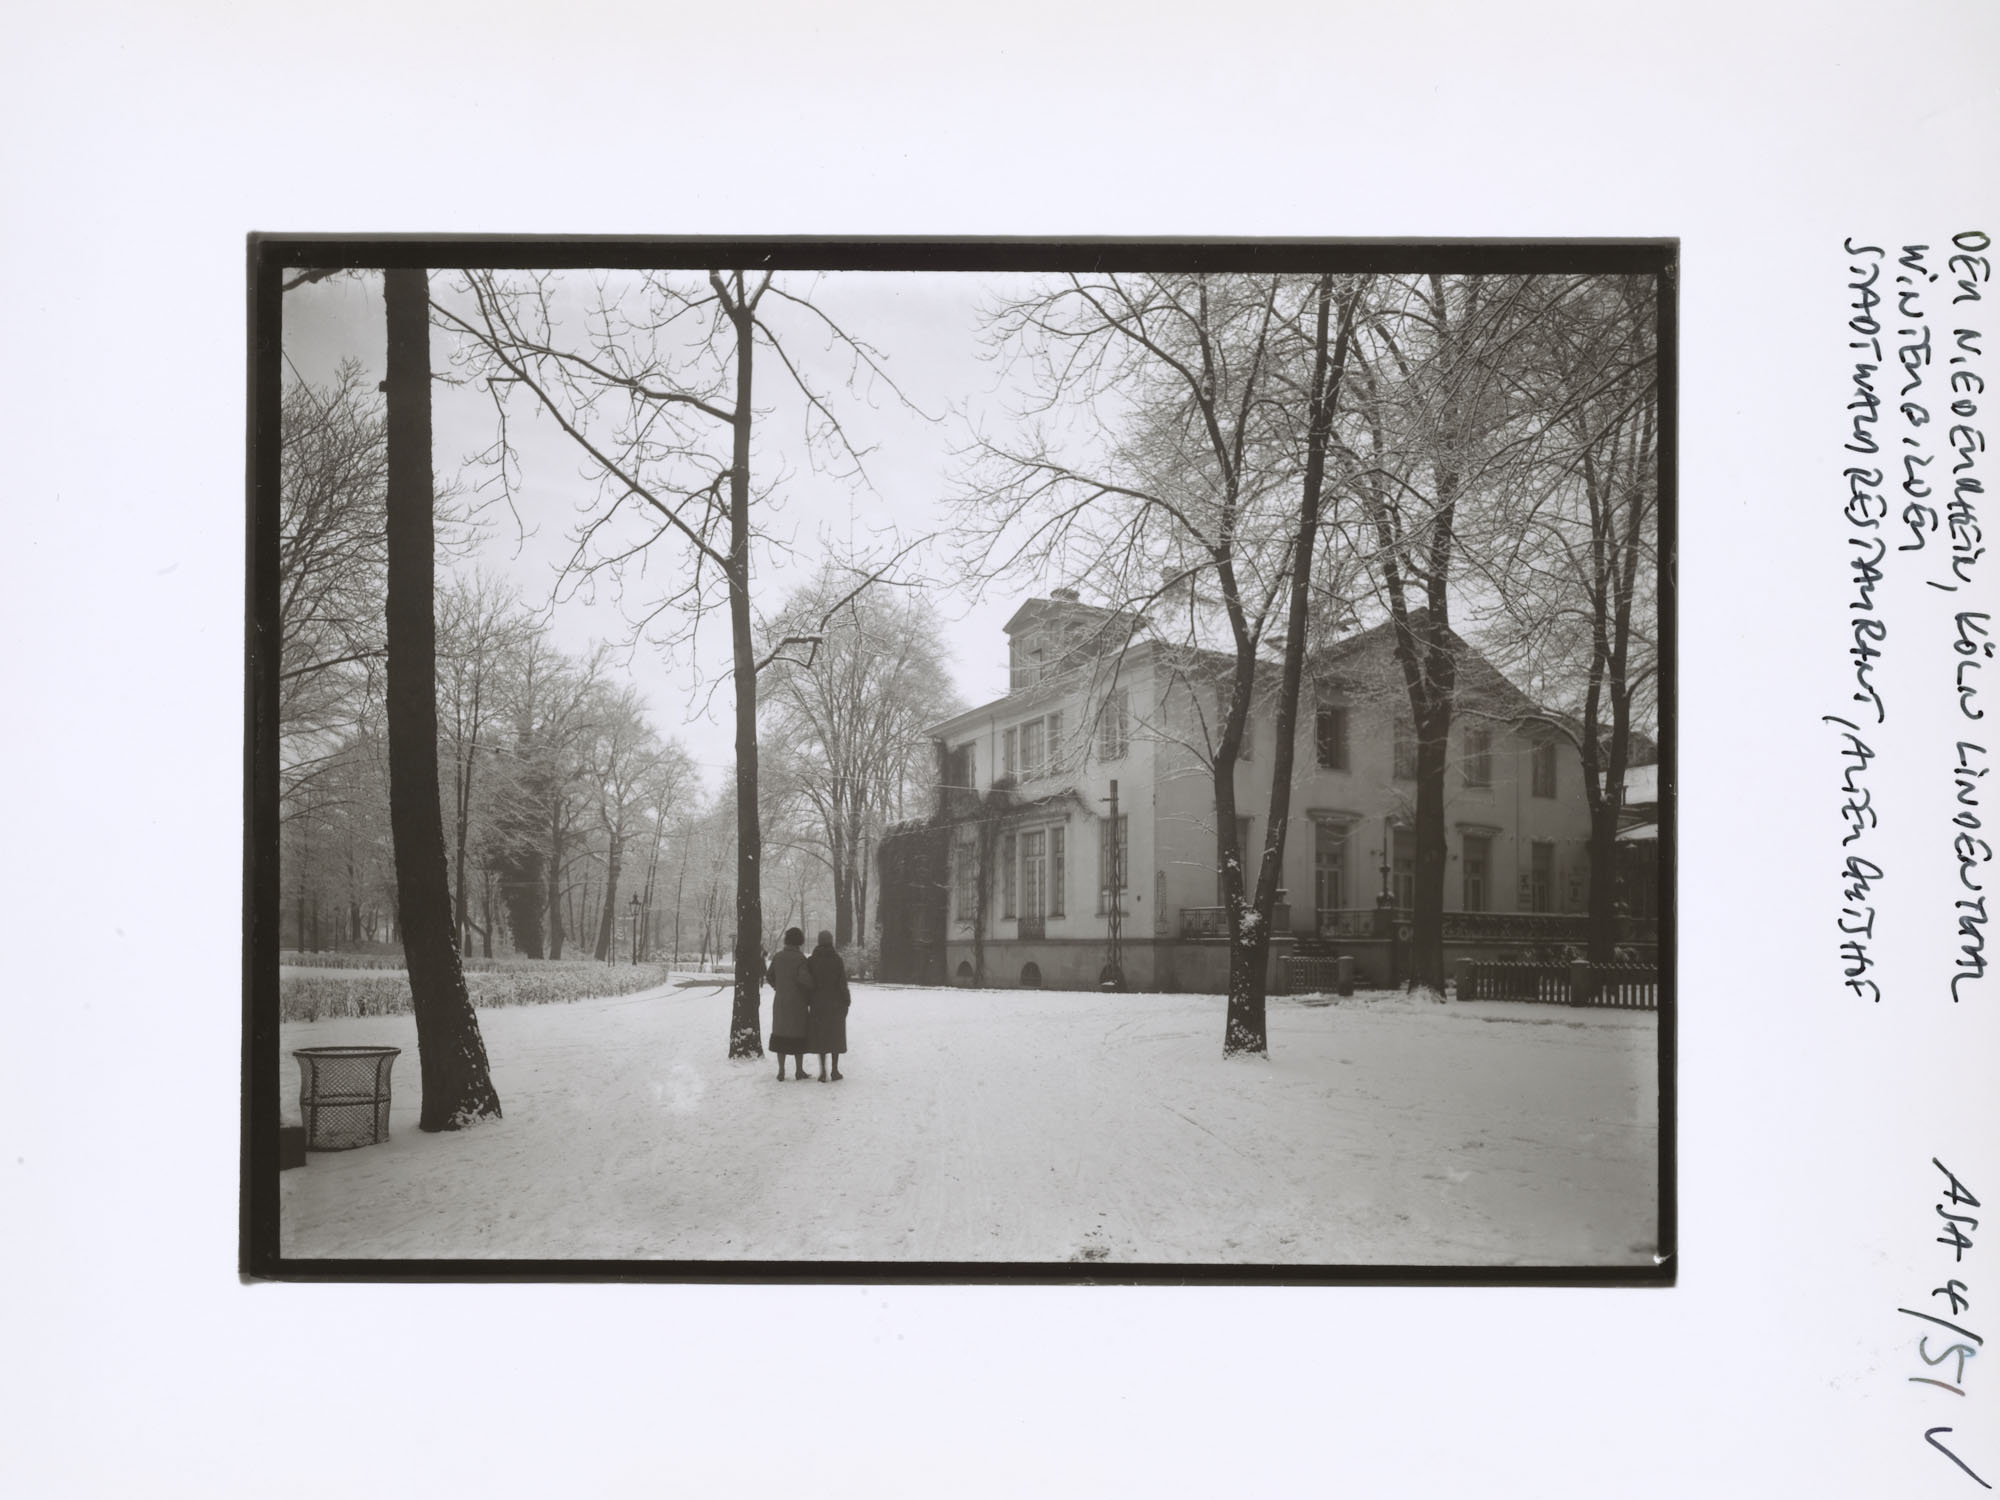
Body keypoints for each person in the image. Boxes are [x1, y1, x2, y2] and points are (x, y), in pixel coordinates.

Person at [765, 928, 814, 1081]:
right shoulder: (801, 959)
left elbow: (769, 976)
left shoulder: (778, 957)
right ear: (800, 941)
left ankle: (781, 1071)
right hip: (798, 1003)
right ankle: (799, 1071)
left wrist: (778, 987)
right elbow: (805, 980)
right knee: (798, 1036)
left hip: (780, 1002)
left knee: (780, 1035)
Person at [805, 929, 851, 1082]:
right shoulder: (837, 959)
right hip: (836, 1003)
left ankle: (823, 1072)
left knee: (821, 1037)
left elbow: (808, 983)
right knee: (835, 1036)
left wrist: (809, 1000)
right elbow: (842, 982)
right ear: (831, 941)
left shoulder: (812, 961)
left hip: (817, 1003)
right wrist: (846, 1000)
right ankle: (835, 1070)